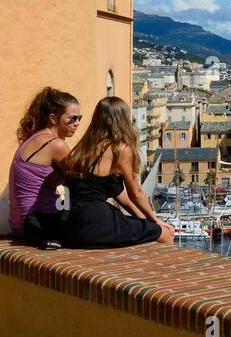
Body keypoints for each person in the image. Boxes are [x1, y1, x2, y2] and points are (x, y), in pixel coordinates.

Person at [61, 96, 174, 248]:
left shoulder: (83, 148)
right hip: (95, 222)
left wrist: (143, 219)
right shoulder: (119, 150)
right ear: (123, 120)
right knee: (166, 234)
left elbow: (119, 193)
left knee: (144, 228)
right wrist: (156, 221)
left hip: (70, 223)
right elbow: (136, 194)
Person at [9, 87, 81, 237]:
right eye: (72, 118)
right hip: (38, 225)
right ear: (53, 119)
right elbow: (83, 177)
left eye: (80, 118)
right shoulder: (56, 145)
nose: (77, 123)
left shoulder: (35, 138)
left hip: (20, 223)